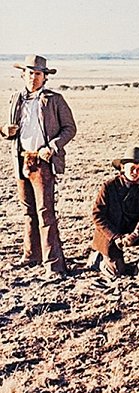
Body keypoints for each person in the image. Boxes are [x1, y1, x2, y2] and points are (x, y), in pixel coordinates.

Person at [1, 55, 76, 280]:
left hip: (43, 161)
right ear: (23, 74)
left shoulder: (55, 100)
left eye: (38, 74)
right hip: (21, 159)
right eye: (30, 73)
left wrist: (51, 147)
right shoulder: (16, 99)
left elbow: (70, 129)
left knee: (45, 212)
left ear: (45, 77)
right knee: (28, 212)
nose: (33, 77)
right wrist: (5, 131)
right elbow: (9, 131)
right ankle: (31, 255)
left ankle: (54, 264)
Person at [91, 146, 139, 281]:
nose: (135, 172)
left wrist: (136, 233)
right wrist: (115, 237)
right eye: (132, 168)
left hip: (132, 229)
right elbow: (98, 215)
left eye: (138, 169)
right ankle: (100, 257)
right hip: (112, 232)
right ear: (122, 168)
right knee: (116, 273)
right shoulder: (109, 186)